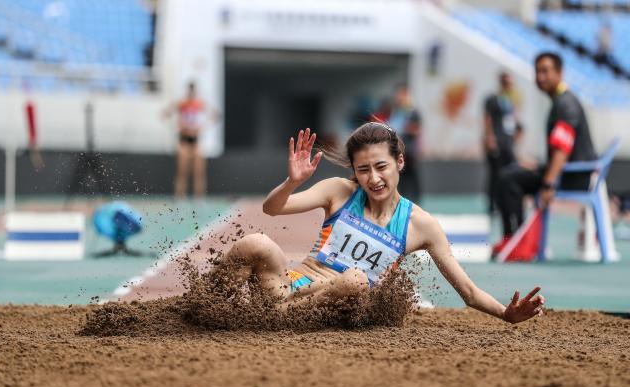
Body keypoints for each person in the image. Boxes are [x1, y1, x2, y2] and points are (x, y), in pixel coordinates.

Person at [210, 124, 545, 324]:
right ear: (353, 171)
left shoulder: (421, 225)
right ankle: (206, 310)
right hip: (290, 288)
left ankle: (272, 320)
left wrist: (505, 313)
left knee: (355, 280)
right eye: (363, 170)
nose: (374, 179)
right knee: (256, 242)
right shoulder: (340, 192)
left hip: (330, 309)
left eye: (381, 167)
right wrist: (291, 182)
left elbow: (468, 292)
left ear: (400, 162)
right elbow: (272, 209)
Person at [494, 52, 597, 252]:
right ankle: (516, 238)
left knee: (508, 178)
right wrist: (540, 166)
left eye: (546, 71)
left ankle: (516, 241)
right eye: (537, 71)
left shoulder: (565, 104)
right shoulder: (561, 101)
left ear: (559, 73)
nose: (540, 77)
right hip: (569, 172)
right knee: (514, 172)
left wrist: (548, 184)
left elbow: (562, 149)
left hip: (572, 177)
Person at [164, 81, 219, 198]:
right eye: (190, 90)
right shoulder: (181, 103)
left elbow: (216, 115)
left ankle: (199, 198)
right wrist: (177, 126)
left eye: (193, 91)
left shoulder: (199, 103)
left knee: (199, 171)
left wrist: (203, 126)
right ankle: (179, 196)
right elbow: (165, 114)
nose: (191, 93)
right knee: (182, 170)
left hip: (196, 140)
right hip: (183, 140)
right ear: (187, 91)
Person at [483, 71, 520, 214]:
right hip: (497, 141)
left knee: (508, 173)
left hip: (507, 142)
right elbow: (487, 119)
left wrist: (516, 133)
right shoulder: (493, 99)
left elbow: (513, 118)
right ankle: (492, 204)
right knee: (494, 175)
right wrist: (490, 138)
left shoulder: (510, 100)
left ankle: (505, 202)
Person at [388, 84, 423, 202]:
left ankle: (415, 204)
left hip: (410, 152)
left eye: (402, 94)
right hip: (398, 150)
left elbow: (416, 129)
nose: (399, 97)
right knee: (400, 179)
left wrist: (405, 129)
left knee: (412, 180)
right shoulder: (396, 112)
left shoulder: (413, 112)